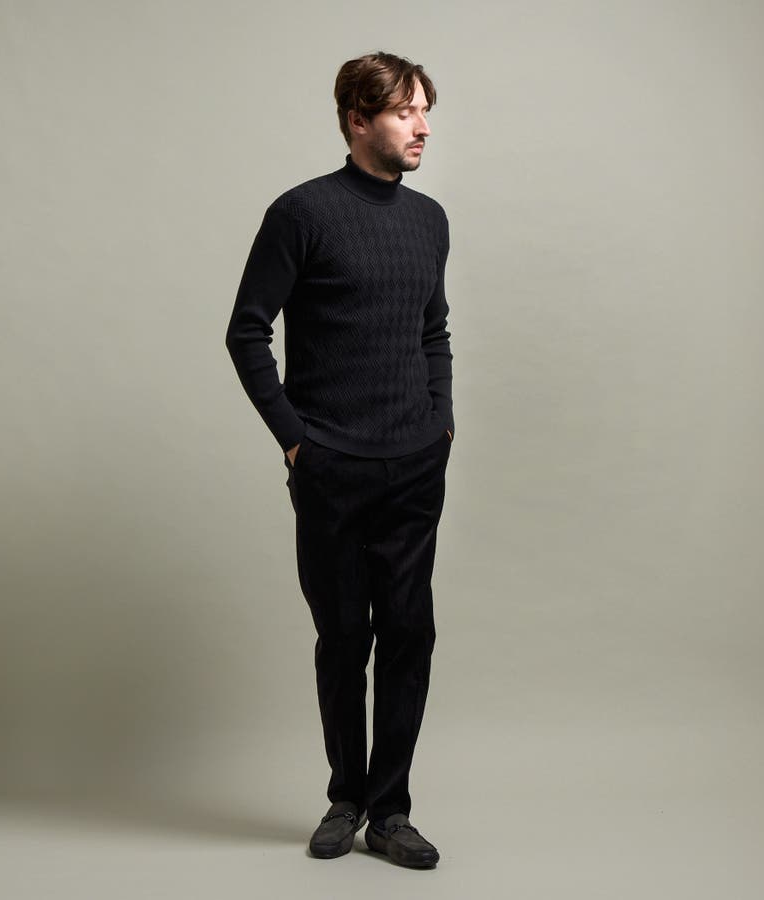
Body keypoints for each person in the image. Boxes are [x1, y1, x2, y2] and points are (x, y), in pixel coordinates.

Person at [225, 51, 454, 869]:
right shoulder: (302, 213)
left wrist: (441, 421)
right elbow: (247, 330)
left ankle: (390, 813)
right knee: (343, 638)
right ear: (359, 120)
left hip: (414, 462)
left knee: (409, 634)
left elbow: (433, 329)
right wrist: (297, 439)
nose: (422, 128)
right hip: (331, 466)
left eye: (425, 112)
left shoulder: (430, 220)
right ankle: (345, 798)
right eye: (405, 112)